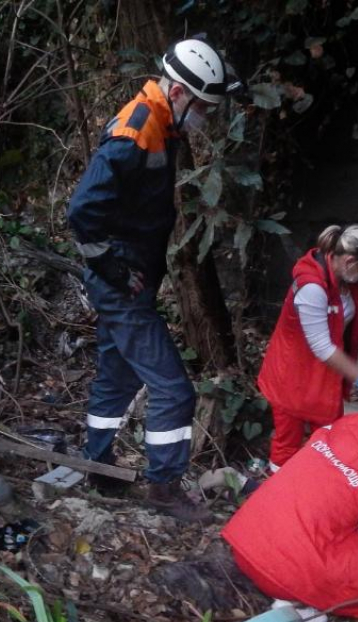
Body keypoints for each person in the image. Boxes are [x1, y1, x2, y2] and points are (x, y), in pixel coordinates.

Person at [68, 38, 239, 523]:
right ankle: (164, 487)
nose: (205, 117)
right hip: (122, 281)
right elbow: (82, 211)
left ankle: (97, 467)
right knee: (173, 390)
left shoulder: (160, 122)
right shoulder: (137, 129)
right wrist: (114, 268)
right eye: (204, 106)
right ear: (181, 93)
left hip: (128, 277)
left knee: (116, 377)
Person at [221, 393, 358, 621]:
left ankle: (294, 595)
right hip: (285, 573)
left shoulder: (328, 434)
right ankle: (306, 602)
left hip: (246, 545)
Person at [258, 224, 358, 470]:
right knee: (287, 443)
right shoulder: (312, 288)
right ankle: (278, 491)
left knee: (330, 440)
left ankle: (316, 486)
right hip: (293, 374)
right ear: (350, 260)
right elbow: (321, 346)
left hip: (324, 373)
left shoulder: (347, 278)